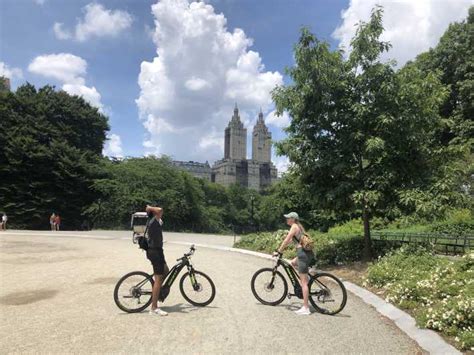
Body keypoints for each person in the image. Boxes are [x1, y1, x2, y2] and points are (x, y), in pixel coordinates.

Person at [274, 212, 314, 315]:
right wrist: (282, 248)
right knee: (292, 263)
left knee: (303, 284)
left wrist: (279, 251)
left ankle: (306, 308)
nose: (286, 219)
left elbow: (287, 240)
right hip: (305, 254)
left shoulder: (294, 227)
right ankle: (306, 278)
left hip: (302, 255)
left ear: (293, 219)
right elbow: (289, 241)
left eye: (288, 218)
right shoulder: (299, 227)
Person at [145, 204, 169, 316]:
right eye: (158, 213)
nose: (161, 213)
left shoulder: (156, 222)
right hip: (155, 252)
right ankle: (154, 308)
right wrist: (149, 207)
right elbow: (160, 209)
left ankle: (157, 290)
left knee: (166, 270)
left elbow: (160, 211)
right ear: (155, 214)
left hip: (158, 251)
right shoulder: (153, 221)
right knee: (158, 279)